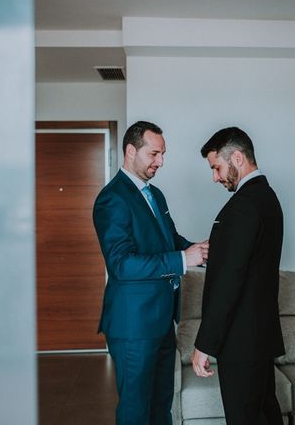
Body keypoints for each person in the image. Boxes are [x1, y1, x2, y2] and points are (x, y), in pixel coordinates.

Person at [92, 121, 209, 425]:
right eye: (154, 154)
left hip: (161, 321)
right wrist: (183, 260)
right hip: (133, 325)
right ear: (131, 151)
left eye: (163, 154)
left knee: (161, 407)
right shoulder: (112, 198)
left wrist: (202, 250)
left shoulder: (155, 194)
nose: (160, 162)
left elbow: (170, 241)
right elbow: (122, 264)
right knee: (135, 410)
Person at [191, 127, 285, 425]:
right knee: (265, 415)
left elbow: (229, 281)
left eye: (216, 167)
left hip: (241, 340)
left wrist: (204, 344)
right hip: (258, 336)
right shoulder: (266, 198)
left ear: (237, 157)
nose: (215, 177)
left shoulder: (244, 204)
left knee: (245, 418)